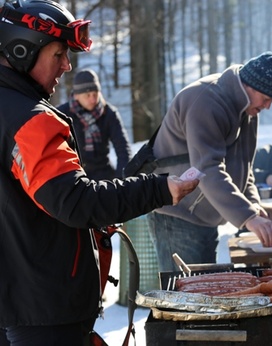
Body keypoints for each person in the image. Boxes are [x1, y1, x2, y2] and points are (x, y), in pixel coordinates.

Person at [0, 1, 198, 344]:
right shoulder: (30, 120)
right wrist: (161, 189)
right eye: (58, 53)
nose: (67, 65)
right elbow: (75, 201)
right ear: (22, 51)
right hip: (45, 309)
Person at [148, 49, 272, 271]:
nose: (267, 106)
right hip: (178, 213)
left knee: (202, 291)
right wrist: (247, 217)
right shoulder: (206, 101)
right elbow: (207, 167)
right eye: (267, 99)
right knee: (185, 297)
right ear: (251, 86)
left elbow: (245, 168)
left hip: (204, 215)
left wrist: (253, 205)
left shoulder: (248, 109)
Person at [57, 68, 132, 179]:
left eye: (95, 94)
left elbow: (123, 149)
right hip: (74, 175)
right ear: (76, 95)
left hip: (104, 173)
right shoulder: (62, 115)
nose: (92, 99)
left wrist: (122, 179)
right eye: (87, 95)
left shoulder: (109, 113)